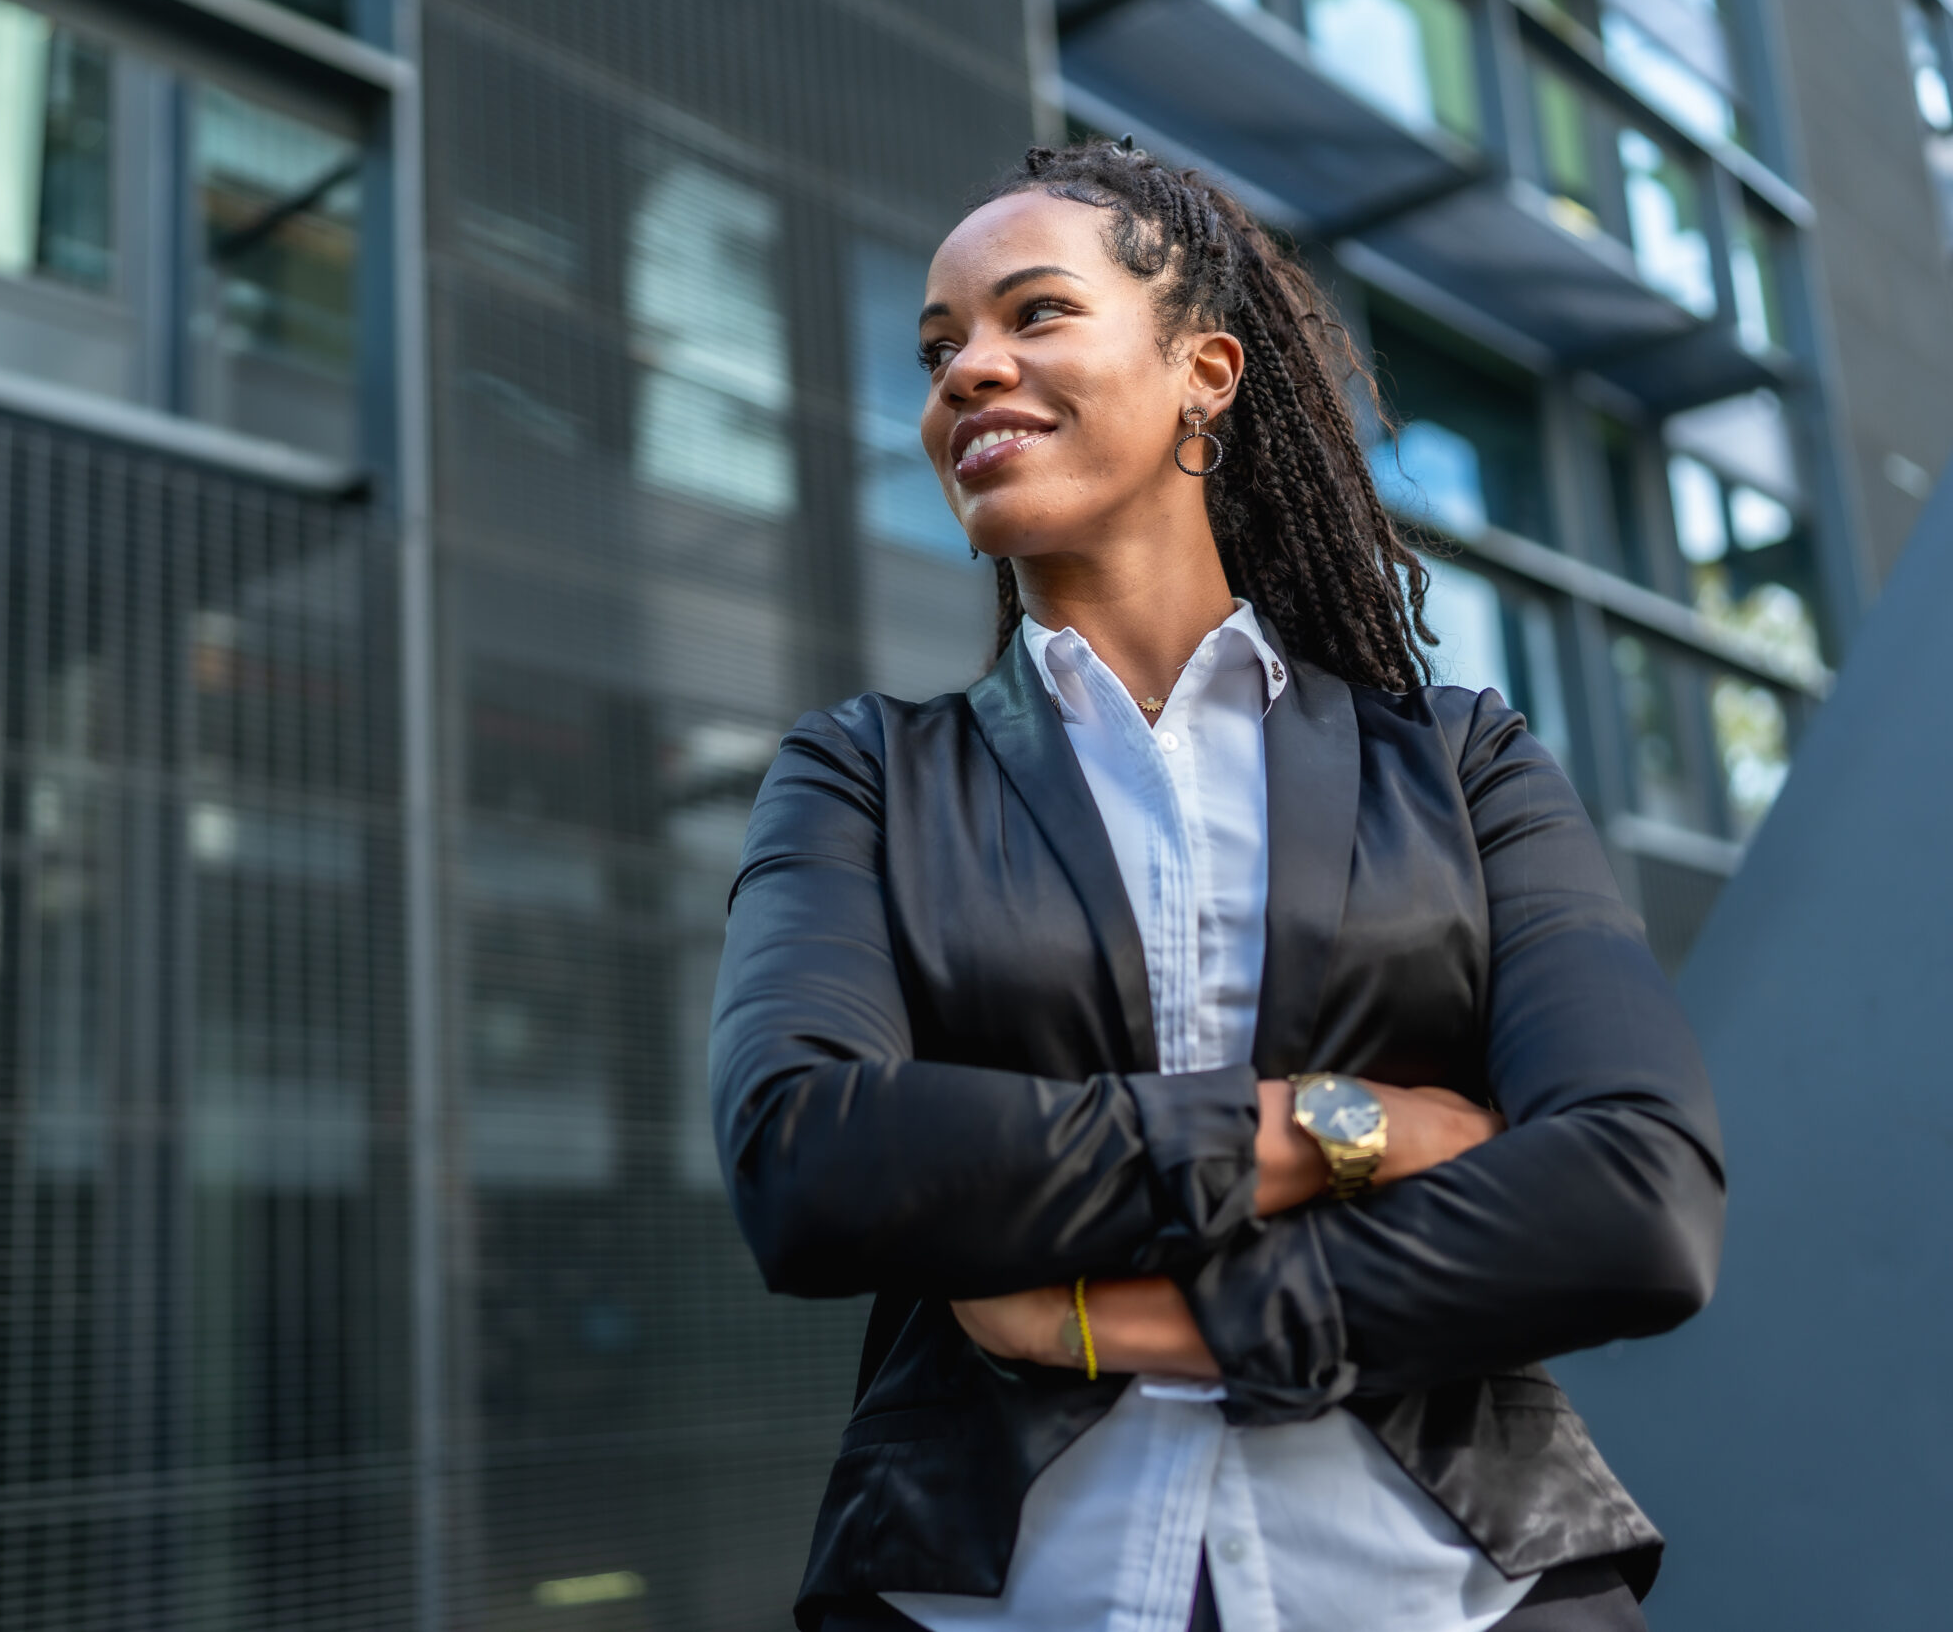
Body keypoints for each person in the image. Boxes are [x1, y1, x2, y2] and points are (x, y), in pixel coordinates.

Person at [709, 138, 1724, 1632]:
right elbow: (809, 1163)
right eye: (940, 348)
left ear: (1207, 369)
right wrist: (1341, 1126)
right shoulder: (864, 774)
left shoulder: (1461, 767)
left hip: (1462, 1591)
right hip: (994, 1595)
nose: (968, 372)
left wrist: (1112, 1316)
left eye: (1033, 314)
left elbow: (1638, 1198)